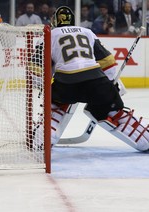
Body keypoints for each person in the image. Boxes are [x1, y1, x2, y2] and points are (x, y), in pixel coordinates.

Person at [45, 6, 149, 152]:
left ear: (55, 20)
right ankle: (145, 137)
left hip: (66, 85)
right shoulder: (87, 32)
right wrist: (110, 85)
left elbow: (37, 68)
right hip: (96, 82)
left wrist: (47, 89)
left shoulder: (49, 34)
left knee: (56, 104)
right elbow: (108, 61)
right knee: (113, 110)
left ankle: (43, 137)